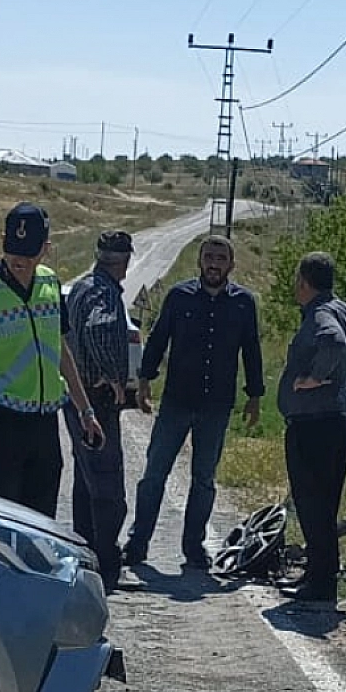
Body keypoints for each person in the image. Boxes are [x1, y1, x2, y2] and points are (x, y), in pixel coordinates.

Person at [0, 202, 103, 518]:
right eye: (13, 248)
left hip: (43, 424)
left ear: (46, 248)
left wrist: (85, 410)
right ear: (3, 239)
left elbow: (60, 350)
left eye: (30, 251)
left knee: (41, 522)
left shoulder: (50, 284)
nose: (20, 259)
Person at [123, 235, 265, 570]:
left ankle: (193, 547)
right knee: (154, 474)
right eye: (208, 257)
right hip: (176, 401)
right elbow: (157, 340)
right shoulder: (179, 296)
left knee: (203, 479)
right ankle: (137, 542)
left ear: (231, 264)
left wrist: (254, 396)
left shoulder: (243, 303)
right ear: (199, 262)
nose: (214, 263)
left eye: (220, 257)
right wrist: (144, 381)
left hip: (216, 405)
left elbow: (252, 351)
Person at [278, 251, 346, 603]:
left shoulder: (321, 314)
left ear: (303, 281)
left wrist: (315, 378)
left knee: (311, 504)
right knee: (324, 505)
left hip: (312, 425)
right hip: (336, 422)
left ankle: (318, 584)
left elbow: (335, 342)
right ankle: (320, 576)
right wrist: (341, 374)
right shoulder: (343, 309)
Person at [62, 230, 144, 593]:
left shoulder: (81, 286)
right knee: (108, 484)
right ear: (125, 260)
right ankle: (108, 565)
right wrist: (113, 375)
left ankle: (86, 557)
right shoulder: (103, 292)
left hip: (77, 396)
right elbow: (98, 328)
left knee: (86, 480)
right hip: (94, 399)